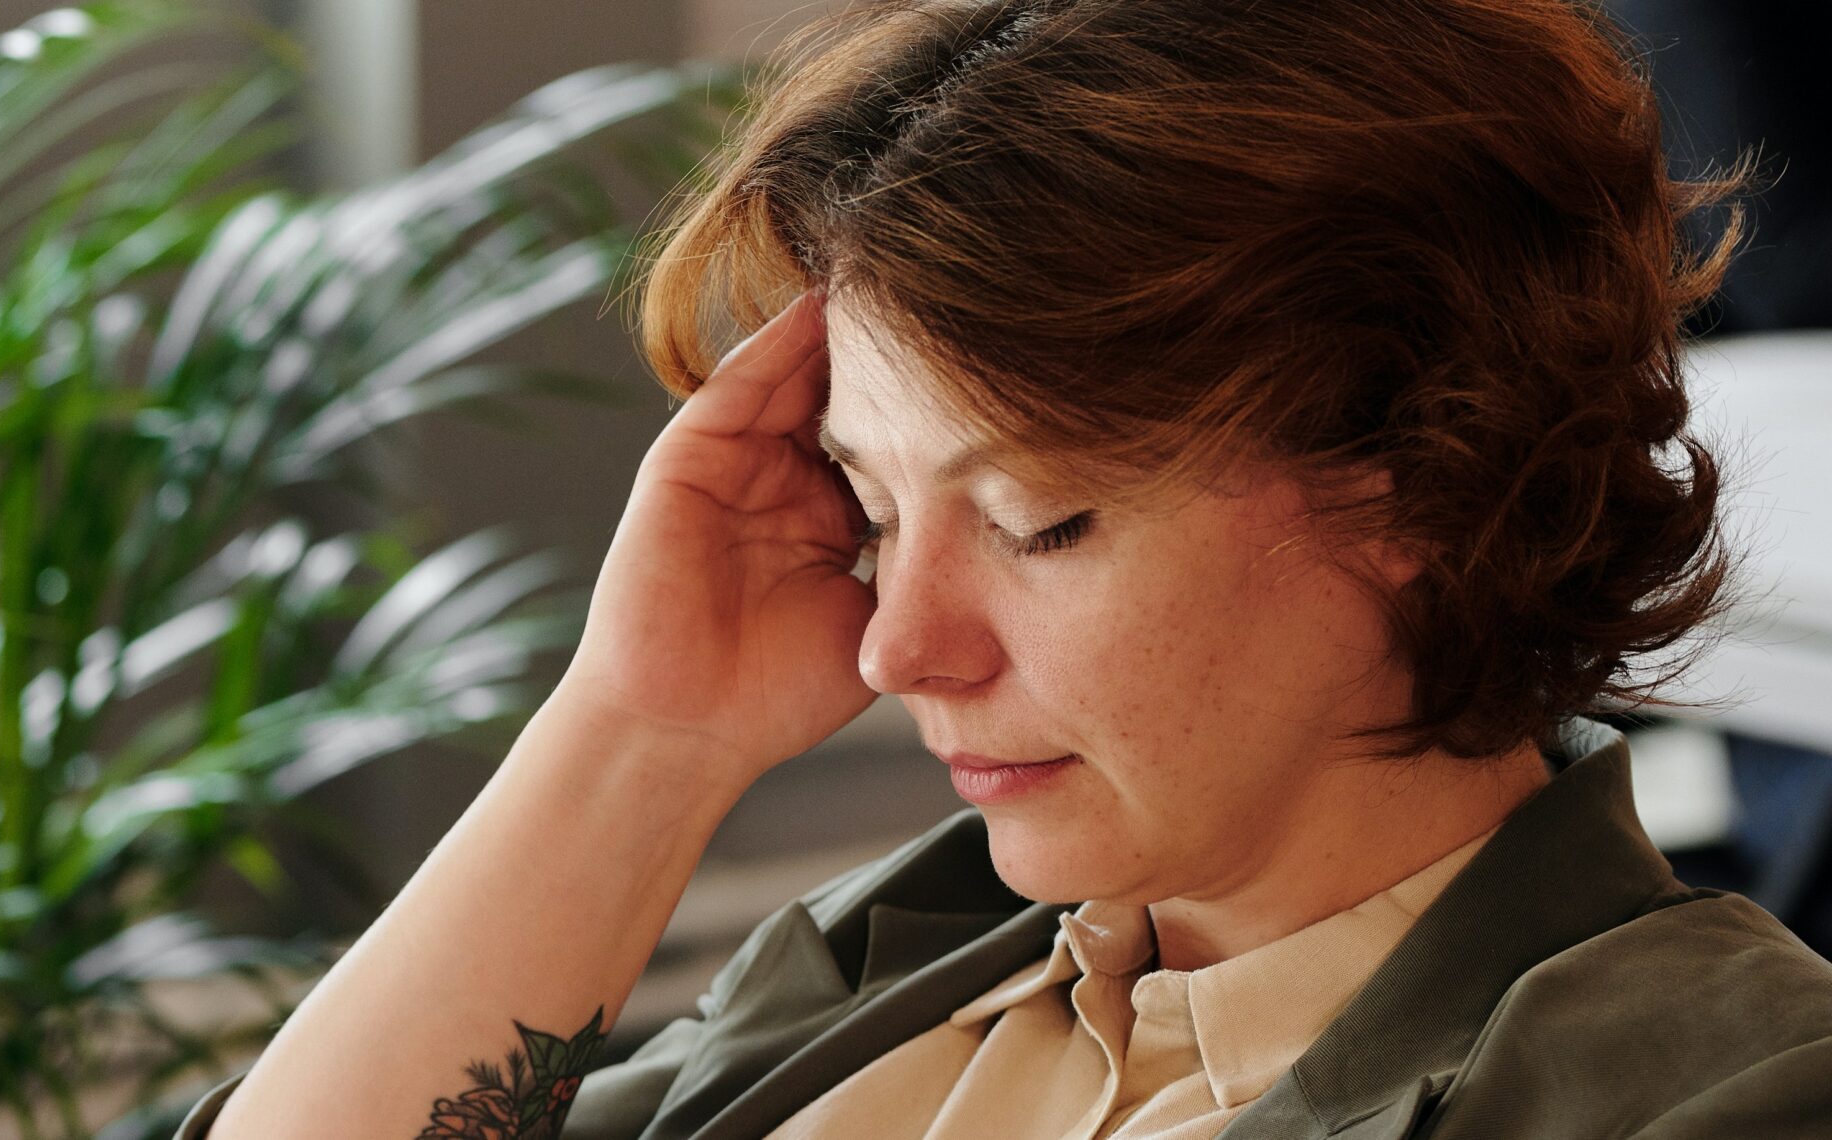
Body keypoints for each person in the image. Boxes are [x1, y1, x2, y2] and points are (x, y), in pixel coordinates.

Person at [181, 0, 1832, 1136]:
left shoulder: (1723, 1084)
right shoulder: (921, 950)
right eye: (873, 511)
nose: (898, 650)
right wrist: (639, 734)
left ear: (1429, 468)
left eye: (1041, 519)